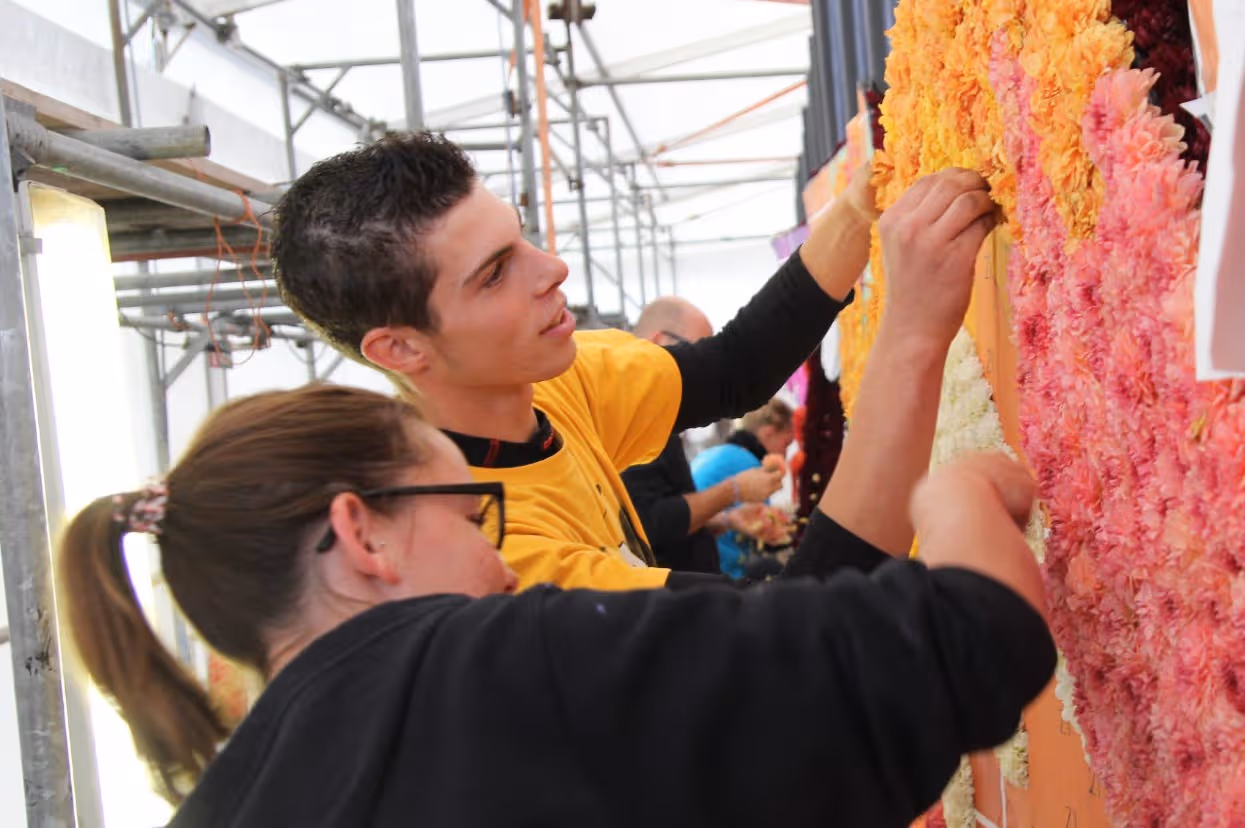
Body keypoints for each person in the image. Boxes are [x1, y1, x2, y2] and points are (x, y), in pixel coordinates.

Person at [59, 382, 1056, 827]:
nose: (501, 565)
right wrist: (953, 496)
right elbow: (971, 641)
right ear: (362, 535)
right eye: (473, 517)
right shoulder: (484, 671)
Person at [272, 132, 887, 592]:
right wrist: (908, 347)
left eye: (521, 237)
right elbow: (784, 632)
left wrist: (859, 212)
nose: (553, 268)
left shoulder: (554, 384)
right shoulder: (484, 547)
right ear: (401, 348)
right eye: (494, 274)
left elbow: (733, 369)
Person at [621, 298, 787, 573]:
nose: (706, 374)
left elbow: (672, 515)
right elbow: (649, 523)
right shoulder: (627, 416)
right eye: (698, 357)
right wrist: (732, 490)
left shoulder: (658, 417)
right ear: (658, 343)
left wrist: (728, 520)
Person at [691, 399, 797, 578]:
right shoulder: (750, 464)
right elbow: (766, 529)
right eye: (786, 444)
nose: (785, 455)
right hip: (718, 570)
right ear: (769, 433)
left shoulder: (718, 452)